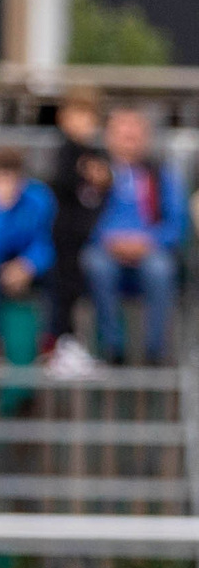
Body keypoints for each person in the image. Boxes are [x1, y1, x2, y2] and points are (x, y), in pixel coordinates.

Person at [84, 105, 184, 365]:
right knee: (96, 264)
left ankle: (155, 353)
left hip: (150, 251)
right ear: (109, 137)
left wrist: (148, 241)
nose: (129, 139)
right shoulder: (94, 174)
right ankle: (112, 350)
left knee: (160, 269)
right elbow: (82, 220)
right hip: (106, 250)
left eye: (135, 133)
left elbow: (176, 224)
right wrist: (109, 240)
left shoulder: (160, 177)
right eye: (123, 133)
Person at [0, 147, 55, 368]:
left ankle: (50, 344)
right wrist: (1, 210)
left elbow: (45, 242)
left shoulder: (40, 197)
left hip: (29, 261)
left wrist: (28, 265)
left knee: (57, 274)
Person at [45, 88, 110, 379]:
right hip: (66, 237)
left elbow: (105, 186)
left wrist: (103, 177)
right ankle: (61, 344)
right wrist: (87, 172)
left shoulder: (97, 153)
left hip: (88, 238)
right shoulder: (67, 152)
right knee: (65, 291)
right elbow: (64, 183)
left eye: (89, 117)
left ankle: (80, 345)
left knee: (83, 292)